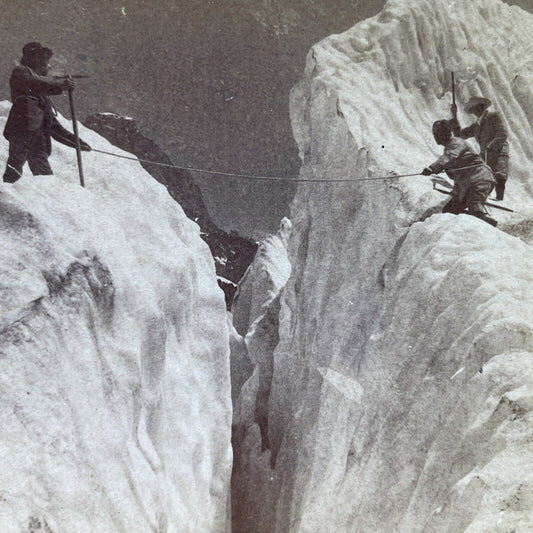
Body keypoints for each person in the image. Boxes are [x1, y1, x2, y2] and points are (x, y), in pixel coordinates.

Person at [3, 42, 91, 183]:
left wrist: (77, 142)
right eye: (44, 61)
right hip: (22, 130)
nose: (48, 66)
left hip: (38, 139)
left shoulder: (43, 97)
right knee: (14, 167)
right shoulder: (21, 71)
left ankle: (47, 203)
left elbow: (54, 127)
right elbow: (34, 82)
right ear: (34, 58)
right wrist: (61, 85)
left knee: (45, 177)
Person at [422, 119, 497, 227]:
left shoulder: (456, 143)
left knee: (475, 207)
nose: (437, 137)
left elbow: (449, 156)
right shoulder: (450, 147)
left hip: (480, 179)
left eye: (438, 134)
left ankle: (487, 224)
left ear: (446, 133)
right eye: (436, 134)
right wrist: (455, 192)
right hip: (469, 184)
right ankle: (477, 219)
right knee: (449, 211)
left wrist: (432, 168)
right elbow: (460, 176)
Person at [451, 96, 508, 201]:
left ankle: (499, 200)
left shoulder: (494, 116)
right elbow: (460, 134)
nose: (475, 111)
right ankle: (478, 197)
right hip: (485, 154)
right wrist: (454, 116)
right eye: (473, 109)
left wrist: (490, 146)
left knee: (499, 175)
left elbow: (502, 134)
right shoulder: (476, 125)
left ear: (482, 106)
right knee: (481, 175)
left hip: (499, 151)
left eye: (477, 107)